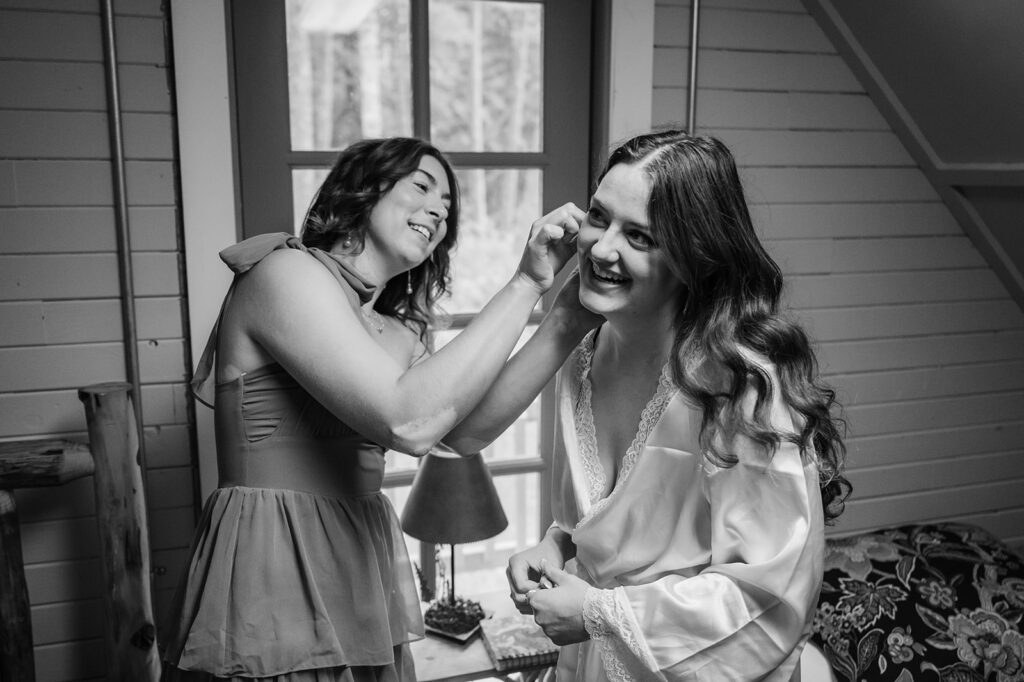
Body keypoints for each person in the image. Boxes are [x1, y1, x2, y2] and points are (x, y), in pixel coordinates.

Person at [160, 137, 581, 681]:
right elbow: (407, 420)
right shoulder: (284, 272)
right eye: (422, 187)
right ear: (362, 189)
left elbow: (457, 434)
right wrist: (524, 281)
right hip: (270, 563)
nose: (438, 211)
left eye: (447, 209)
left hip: (356, 566)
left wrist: (567, 316)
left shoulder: (398, 331)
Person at [444, 129, 851, 681]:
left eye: (639, 236)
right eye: (598, 217)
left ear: (695, 257)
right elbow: (602, 520)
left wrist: (596, 612)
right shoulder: (582, 355)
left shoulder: (743, 386)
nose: (603, 247)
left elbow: (768, 597)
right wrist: (556, 545)